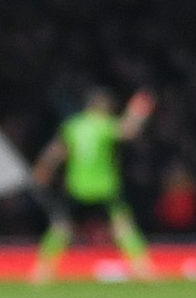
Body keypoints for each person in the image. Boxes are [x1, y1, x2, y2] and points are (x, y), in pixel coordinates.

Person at [31, 88, 157, 282]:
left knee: (61, 227)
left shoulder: (73, 126)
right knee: (124, 227)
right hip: (104, 187)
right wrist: (137, 111)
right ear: (103, 107)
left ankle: (42, 271)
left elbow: (57, 150)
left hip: (76, 187)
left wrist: (43, 169)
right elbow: (128, 131)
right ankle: (142, 268)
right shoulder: (103, 124)